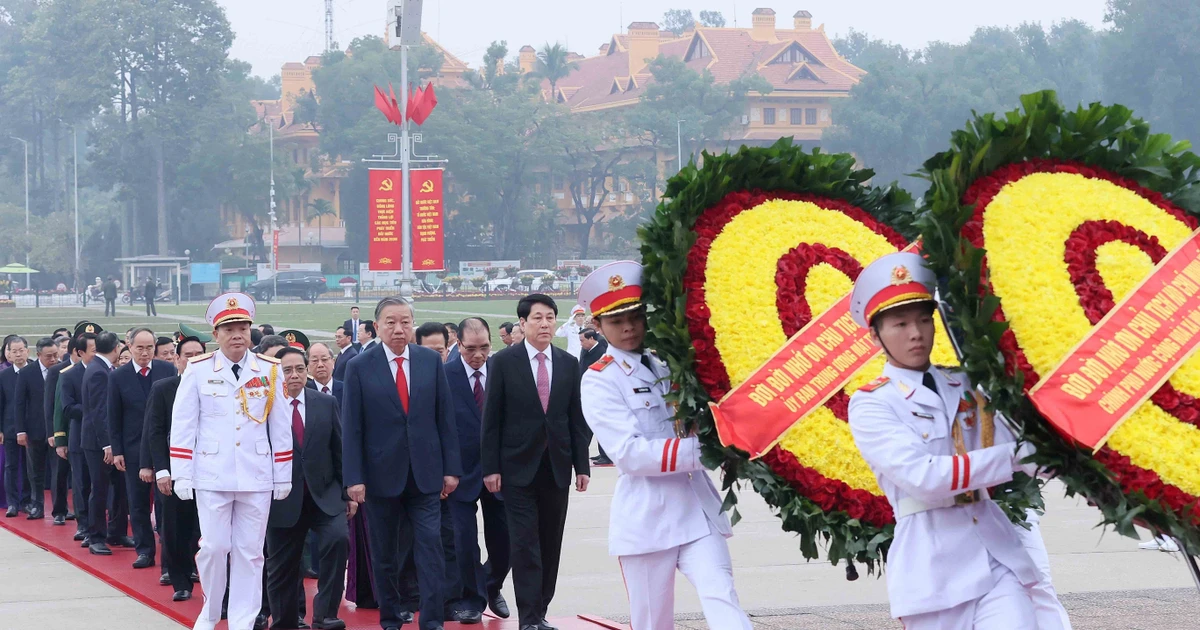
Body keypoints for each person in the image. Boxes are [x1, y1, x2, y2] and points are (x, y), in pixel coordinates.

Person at [846, 252, 1042, 629]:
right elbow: (925, 477)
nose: (916, 333)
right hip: (932, 566)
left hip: (994, 552)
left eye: (924, 320)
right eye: (900, 324)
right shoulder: (871, 403)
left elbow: (1016, 444)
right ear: (876, 336)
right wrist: (1017, 454)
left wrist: (1067, 456)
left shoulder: (964, 383)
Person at [578, 262, 752, 629]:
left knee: (724, 599)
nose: (628, 328)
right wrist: (706, 450)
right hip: (647, 518)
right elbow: (629, 455)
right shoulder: (599, 381)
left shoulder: (666, 365)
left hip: (696, 509)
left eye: (635, 317)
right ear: (597, 325)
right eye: (615, 320)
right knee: (653, 623)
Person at [170, 292, 293, 630]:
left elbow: (281, 427)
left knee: (250, 553)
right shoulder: (197, 369)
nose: (238, 334)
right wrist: (182, 474)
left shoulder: (269, 370)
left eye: (243, 327)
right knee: (213, 547)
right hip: (211, 473)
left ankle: (242, 620)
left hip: (256, 474)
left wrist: (283, 475)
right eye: (229, 329)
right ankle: (210, 612)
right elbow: (183, 425)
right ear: (216, 334)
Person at [342, 296, 461, 630]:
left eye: (405, 322)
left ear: (413, 324)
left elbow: (444, 418)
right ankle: (391, 617)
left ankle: (433, 620)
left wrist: (451, 469)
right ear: (377, 326)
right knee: (385, 554)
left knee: (430, 547)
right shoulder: (359, 367)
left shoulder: (429, 361)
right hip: (380, 478)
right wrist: (354, 477)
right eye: (391, 322)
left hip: (425, 475)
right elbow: (352, 427)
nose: (399, 329)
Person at [481, 294, 590, 630]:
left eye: (550, 318)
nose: (545, 324)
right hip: (516, 469)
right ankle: (528, 618)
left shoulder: (568, 363)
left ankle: (539, 610)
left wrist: (582, 466)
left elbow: (575, 418)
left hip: (556, 467)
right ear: (523, 324)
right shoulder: (503, 362)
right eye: (538, 318)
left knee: (550, 543)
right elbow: (492, 419)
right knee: (525, 544)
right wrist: (491, 467)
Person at [266, 346, 350, 630]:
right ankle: (285, 621)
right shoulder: (264, 407)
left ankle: (325, 614)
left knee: (338, 540)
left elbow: (338, 449)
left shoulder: (325, 403)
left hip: (325, 496)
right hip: (282, 499)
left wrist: (347, 490)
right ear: (276, 375)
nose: (294, 376)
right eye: (287, 370)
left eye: (299, 369)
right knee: (283, 568)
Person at [445, 317, 511, 620]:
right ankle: (473, 600)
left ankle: (491, 585)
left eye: (485, 347)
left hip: (500, 472)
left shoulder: (503, 370)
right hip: (459, 473)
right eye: (471, 349)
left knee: (506, 543)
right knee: (465, 543)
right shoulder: (444, 375)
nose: (478, 355)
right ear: (458, 344)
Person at [142, 336, 206, 602]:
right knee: (174, 528)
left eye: (198, 354)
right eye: (187, 355)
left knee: (202, 528)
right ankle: (179, 579)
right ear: (177, 359)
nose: (192, 359)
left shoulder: (214, 387)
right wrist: (160, 470)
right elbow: (154, 432)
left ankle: (197, 568)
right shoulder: (164, 388)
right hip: (175, 470)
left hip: (207, 470)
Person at [108, 327, 178, 568]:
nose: (145, 352)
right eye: (140, 347)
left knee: (164, 502)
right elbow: (113, 417)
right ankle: (144, 550)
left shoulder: (167, 370)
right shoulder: (118, 376)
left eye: (150, 347)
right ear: (129, 347)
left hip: (164, 450)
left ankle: (168, 550)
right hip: (132, 448)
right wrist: (117, 450)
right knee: (137, 502)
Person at [82, 331, 133, 555]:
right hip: (98, 444)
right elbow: (99, 412)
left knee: (119, 487)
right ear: (115, 349)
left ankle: (116, 531)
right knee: (100, 489)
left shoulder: (101, 368)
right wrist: (107, 445)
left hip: (111, 441)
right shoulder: (98, 372)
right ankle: (96, 536)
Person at [58, 327, 99, 541]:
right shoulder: (69, 375)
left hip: (103, 438)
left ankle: (103, 526)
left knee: (103, 485)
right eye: (93, 350)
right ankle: (84, 526)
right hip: (80, 437)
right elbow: (67, 408)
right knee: (82, 484)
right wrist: (94, 411)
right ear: (80, 353)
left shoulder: (108, 371)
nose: (97, 353)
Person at [14, 337, 58, 521]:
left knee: (58, 473)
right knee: (35, 472)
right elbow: (19, 403)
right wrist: (21, 430)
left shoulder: (62, 370)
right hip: (34, 430)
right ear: (38, 354)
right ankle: (37, 505)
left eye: (56, 355)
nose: (54, 359)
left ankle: (60, 509)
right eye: (49, 356)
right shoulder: (27, 373)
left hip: (57, 432)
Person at [44, 336, 75, 525]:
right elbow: (50, 405)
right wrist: (52, 433)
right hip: (61, 429)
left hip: (80, 430)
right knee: (60, 472)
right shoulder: (58, 370)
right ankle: (59, 510)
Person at [0, 337, 31, 517]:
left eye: (21, 350)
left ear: (27, 350)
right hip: (10, 427)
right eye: (14, 351)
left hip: (32, 427)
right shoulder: (4, 376)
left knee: (31, 467)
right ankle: (12, 503)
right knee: (11, 466)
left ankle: (27, 500)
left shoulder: (35, 371)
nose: (18, 354)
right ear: (9, 354)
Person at [578, 329, 611, 466]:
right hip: (587, 392)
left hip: (599, 394)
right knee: (589, 424)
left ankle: (606, 455)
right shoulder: (587, 350)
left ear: (591, 339)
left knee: (598, 424)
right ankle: (600, 453)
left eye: (582, 340)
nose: (581, 344)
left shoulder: (602, 352)